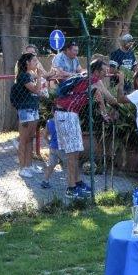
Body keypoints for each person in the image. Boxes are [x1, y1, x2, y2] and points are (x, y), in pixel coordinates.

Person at [53, 59, 119, 199]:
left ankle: (77, 182)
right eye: (104, 71)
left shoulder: (84, 76)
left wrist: (104, 114)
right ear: (96, 71)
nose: (106, 73)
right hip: (66, 114)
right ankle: (71, 188)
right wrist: (120, 105)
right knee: (72, 154)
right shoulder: (94, 80)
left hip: (69, 114)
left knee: (75, 152)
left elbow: (98, 96)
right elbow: (110, 98)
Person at [13, 53, 41, 178]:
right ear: (27, 63)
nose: (37, 62)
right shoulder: (24, 76)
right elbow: (36, 90)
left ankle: (29, 165)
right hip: (25, 110)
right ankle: (22, 167)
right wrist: (40, 77)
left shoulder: (32, 75)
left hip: (33, 108)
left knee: (31, 138)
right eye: (34, 60)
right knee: (23, 139)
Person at [39, 118, 63, 189]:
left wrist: (50, 142)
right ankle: (72, 184)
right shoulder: (64, 120)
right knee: (68, 165)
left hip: (53, 147)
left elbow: (45, 136)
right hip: (63, 148)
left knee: (51, 165)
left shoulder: (49, 122)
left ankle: (45, 181)